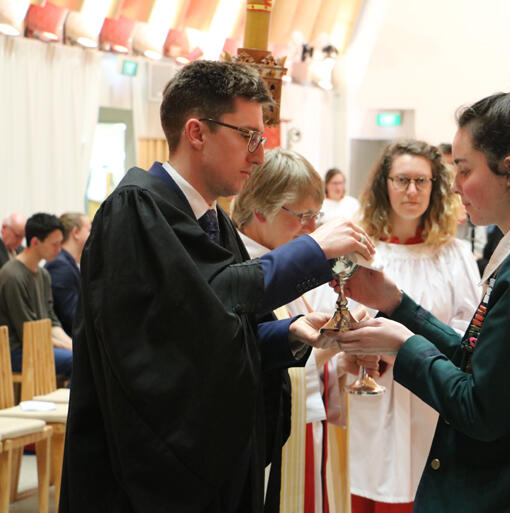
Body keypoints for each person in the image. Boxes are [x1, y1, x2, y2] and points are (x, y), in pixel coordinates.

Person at [60, 60, 374, 513]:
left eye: (262, 138)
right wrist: (314, 250)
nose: (259, 155)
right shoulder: (136, 208)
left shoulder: (213, 221)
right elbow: (209, 302)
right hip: (146, 477)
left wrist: (291, 332)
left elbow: (211, 332)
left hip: (212, 469)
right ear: (197, 132)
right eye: (249, 135)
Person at [336, 78, 510, 512]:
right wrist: (398, 306)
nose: (454, 186)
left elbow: (479, 406)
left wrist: (403, 346)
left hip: (509, 489)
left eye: (464, 169)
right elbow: (481, 359)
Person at [341, 140, 480, 512]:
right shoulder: (359, 250)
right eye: (402, 180)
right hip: (370, 395)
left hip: (427, 401)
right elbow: (336, 315)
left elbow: (467, 331)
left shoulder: (455, 256)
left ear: (436, 187)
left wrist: (410, 352)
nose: (412, 191)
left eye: (422, 181)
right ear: (384, 184)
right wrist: (356, 347)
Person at [230, 147, 343, 513]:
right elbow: (251, 354)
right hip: (261, 431)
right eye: (303, 216)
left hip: (303, 422)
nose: (313, 229)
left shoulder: (280, 256)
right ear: (261, 208)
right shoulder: (242, 267)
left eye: (317, 215)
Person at [0, 213, 72, 378]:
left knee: (82, 357)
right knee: (76, 360)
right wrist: (68, 348)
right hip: (17, 351)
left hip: (38, 344)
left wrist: (71, 344)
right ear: (34, 242)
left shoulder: (44, 274)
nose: (59, 249)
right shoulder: (12, 276)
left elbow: (51, 320)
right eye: (54, 244)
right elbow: (28, 332)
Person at [44, 212, 91, 336]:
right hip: (66, 337)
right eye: (89, 230)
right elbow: (73, 315)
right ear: (75, 233)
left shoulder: (69, 263)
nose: (93, 235)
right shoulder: (60, 266)